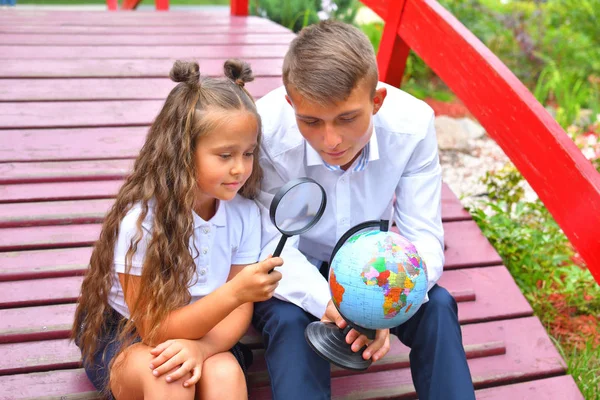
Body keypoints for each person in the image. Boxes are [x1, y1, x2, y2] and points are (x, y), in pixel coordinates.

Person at [252, 20, 475, 400]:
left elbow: (423, 234)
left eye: (347, 118)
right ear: (291, 105)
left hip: (376, 264)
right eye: (311, 122)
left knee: (437, 306)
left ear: (377, 101)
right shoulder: (266, 130)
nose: (331, 140)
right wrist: (331, 301)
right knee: (289, 319)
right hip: (296, 261)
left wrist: (384, 304)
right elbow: (268, 243)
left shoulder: (413, 124)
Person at [72, 59, 284, 400]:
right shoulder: (142, 223)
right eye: (225, 155)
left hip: (210, 334)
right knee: (169, 377)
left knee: (226, 372)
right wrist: (236, 293)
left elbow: (240, 310)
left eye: (248, 153)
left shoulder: (244, 215)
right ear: (184, 152)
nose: (240, 168)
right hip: (131, 337)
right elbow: (155, 329)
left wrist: (203, 348)